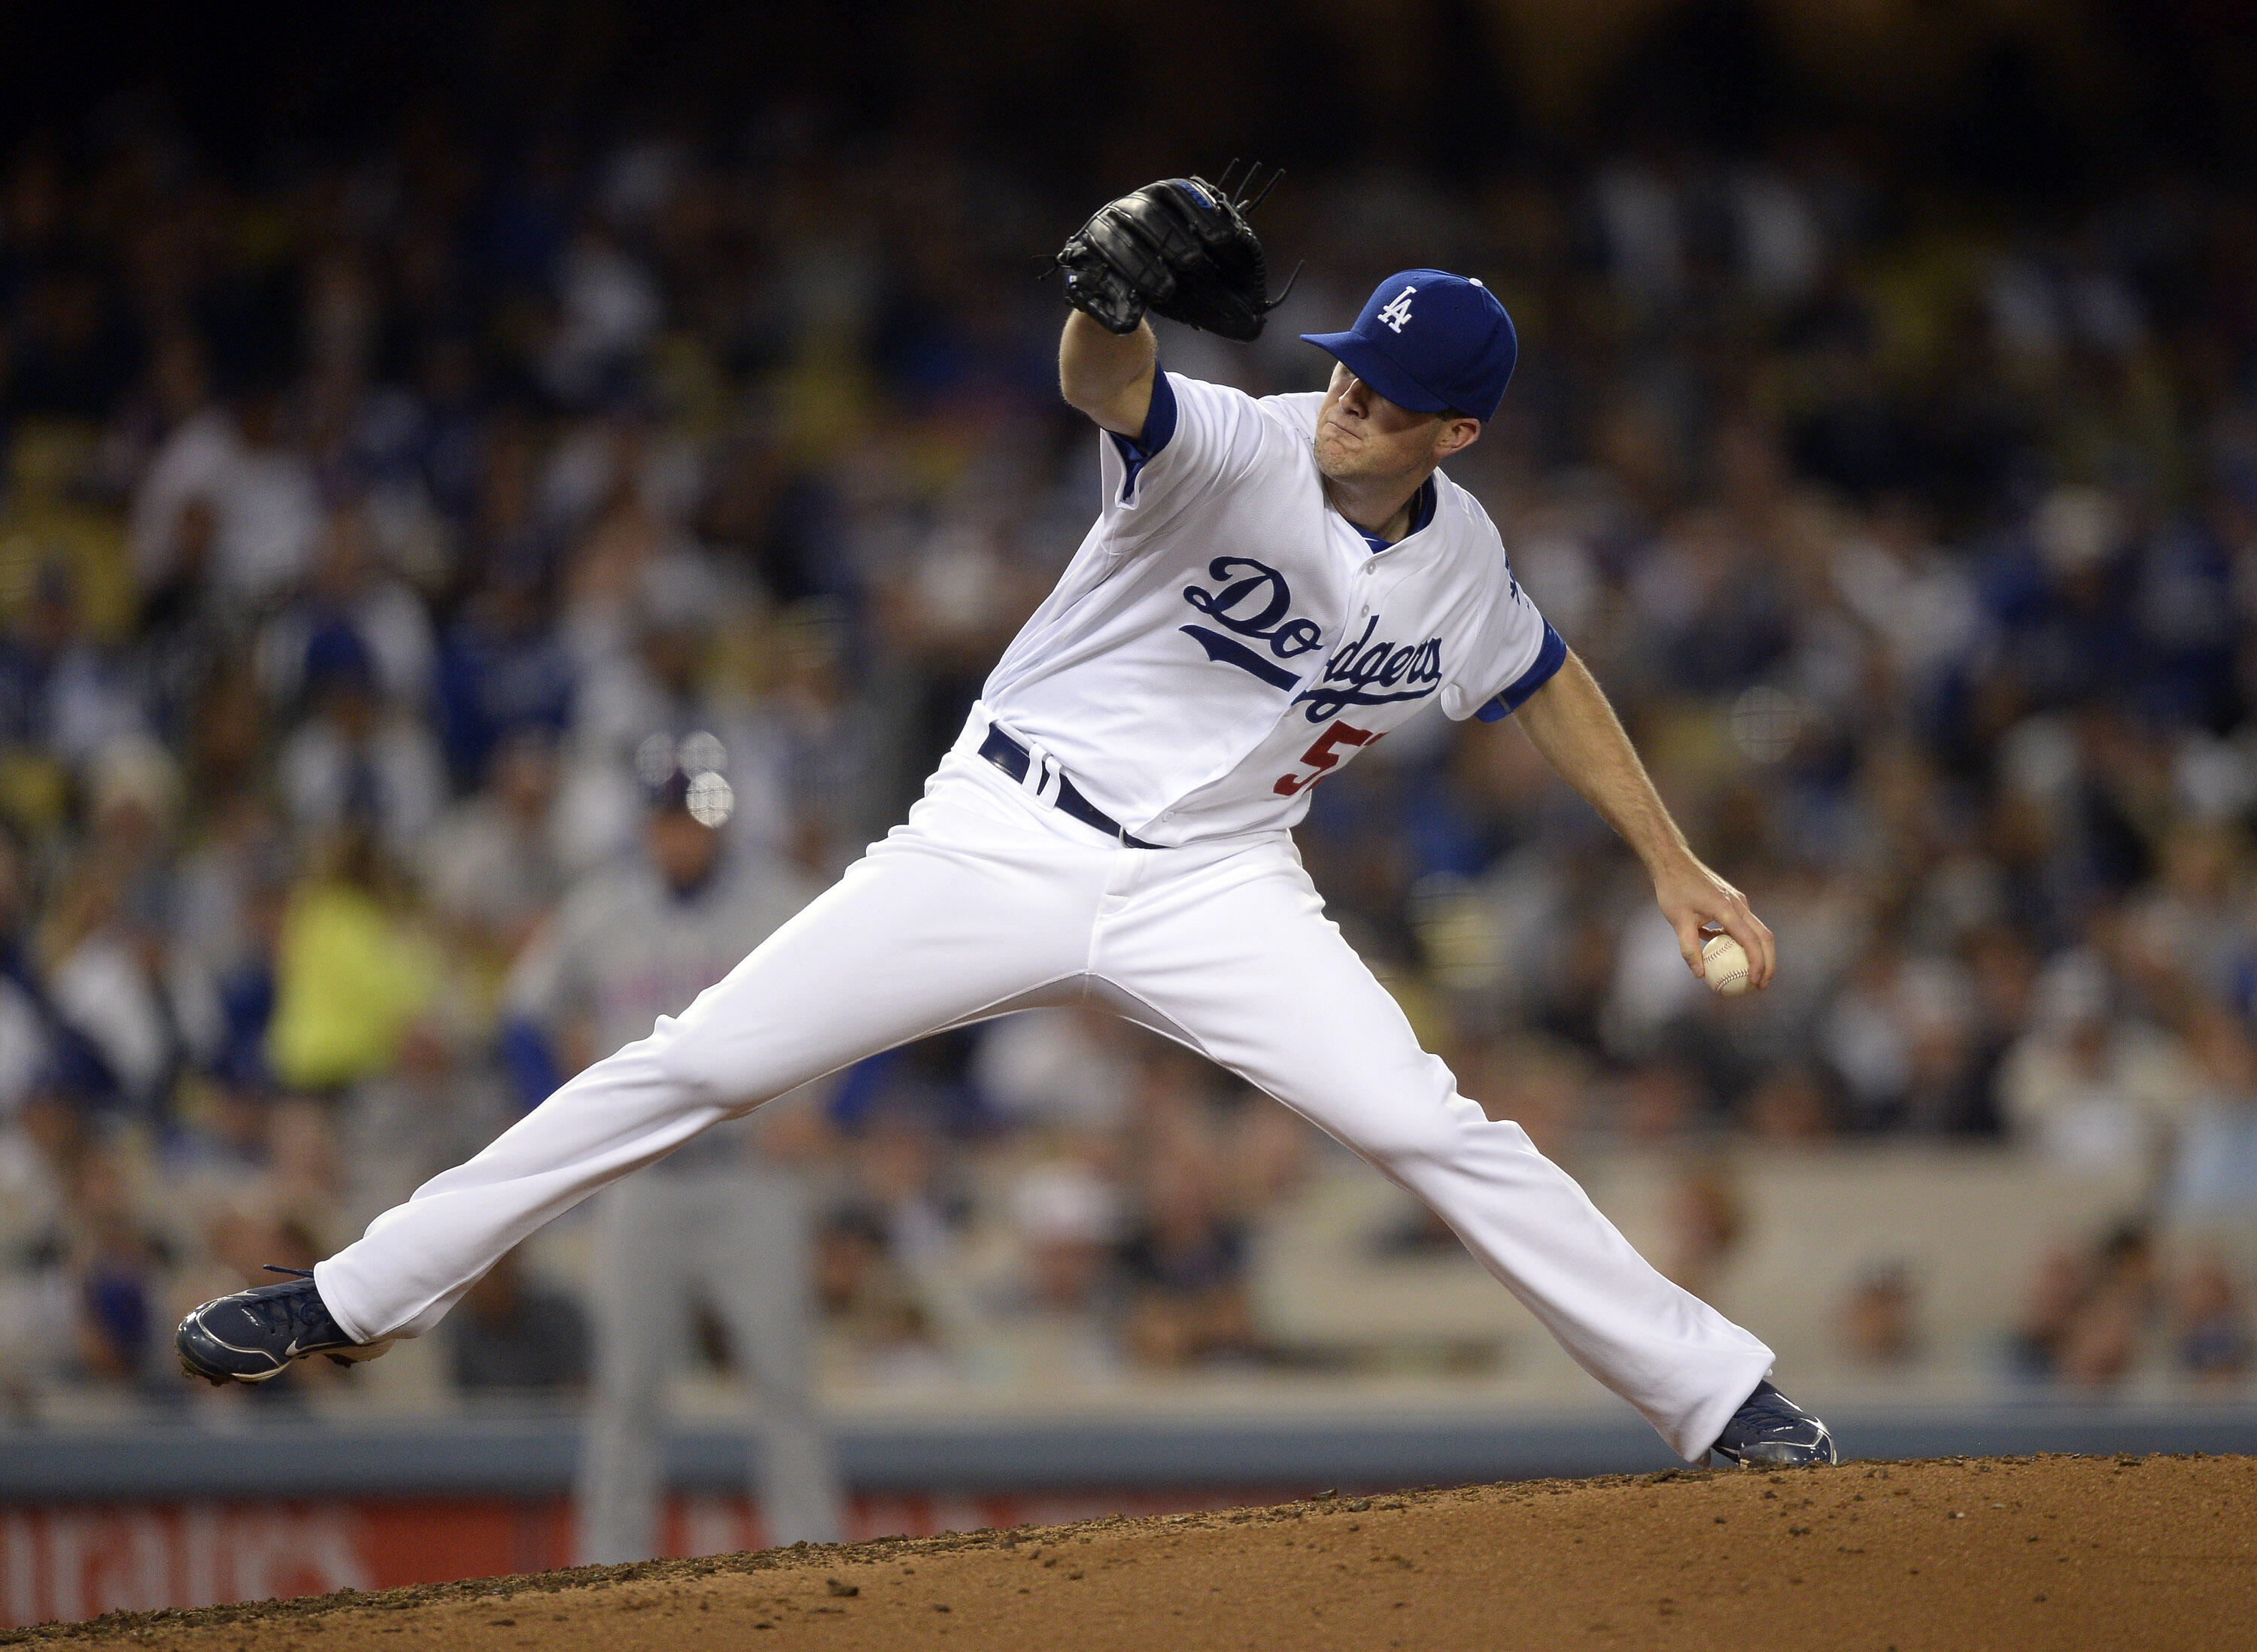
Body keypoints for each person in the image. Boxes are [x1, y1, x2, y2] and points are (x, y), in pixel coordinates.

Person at [178, 185, 1834, 1472]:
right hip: (1005, 834)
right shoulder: (1235, 449)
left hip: (1222, 886)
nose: (1348, 397)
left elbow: (1547, 678)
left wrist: (1672, 861)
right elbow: (1111, 387)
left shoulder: (1461, 560)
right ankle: (350, 1296)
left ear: (1455, 435)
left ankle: (1721, 1398)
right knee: (695, 1064)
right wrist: (1102, 300)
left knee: (1433, 1129)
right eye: (1347, 361)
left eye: (1389, 394)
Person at [501, 759, 843, 1556]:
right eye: (669, 819)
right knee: (625, 1392)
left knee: (785, 1382)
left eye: (697, 819)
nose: (683, 835)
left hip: (751, 1173)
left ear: (720, 825)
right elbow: (521, 1014)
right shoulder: (602, 908)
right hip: (645, 1178)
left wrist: (837, 1109)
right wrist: (560, 1116)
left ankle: (817, 1562)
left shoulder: (780, 899)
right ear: (647, 826)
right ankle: (608, 1570)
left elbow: (880, 993)